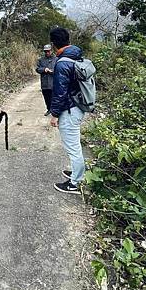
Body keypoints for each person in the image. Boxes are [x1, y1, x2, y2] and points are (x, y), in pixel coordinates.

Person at [49, 27, 85, 195]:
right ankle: (76, 174)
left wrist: (54, 114)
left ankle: (74, 184)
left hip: (69, 110)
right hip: (78, 106)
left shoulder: (63, 63)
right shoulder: (76, 56)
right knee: (74, 144)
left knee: (73, 147)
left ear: (53, 44)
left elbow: (60, 92)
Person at [35, 44, 57, 116]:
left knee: (54, 97)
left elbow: (59, 69)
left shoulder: (56, 59)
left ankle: (54, 111)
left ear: (51, 51)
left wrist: (53, 71)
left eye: (48, 51)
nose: (47, 53)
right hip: (44, 83)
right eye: (46, 51)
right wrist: (44, 69)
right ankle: (49, 109)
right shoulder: (41, 60)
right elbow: (37, 69)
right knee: (46, 97)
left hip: (53, 82)